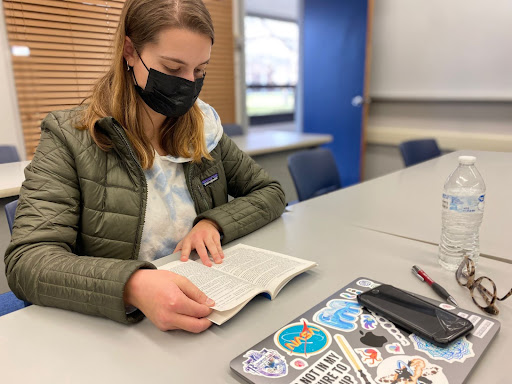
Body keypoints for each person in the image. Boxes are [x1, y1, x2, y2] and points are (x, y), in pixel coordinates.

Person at [4, 0, 285, 333]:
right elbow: (28, 260)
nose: (189, 84)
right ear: (130, 51)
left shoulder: (203, 128)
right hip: (122, 325)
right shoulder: (69, 138)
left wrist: (213, 222)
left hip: (206, 303)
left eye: (201, 71)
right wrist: (132, 285)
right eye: (172, 68)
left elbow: (270, 192)